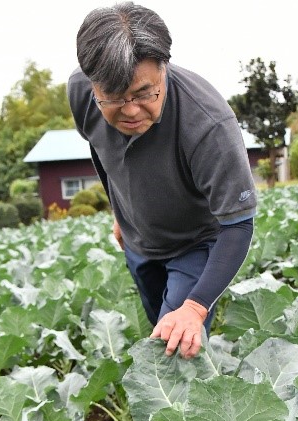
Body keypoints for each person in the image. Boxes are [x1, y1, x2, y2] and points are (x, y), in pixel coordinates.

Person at [67, 1, 257, 359]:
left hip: (194, 244)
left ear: (163, 69)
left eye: (144, 93)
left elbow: (239, 225)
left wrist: (196, 306)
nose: (131, 111)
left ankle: (196, 409)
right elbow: (100, 147)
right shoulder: (81, 93)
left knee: (173, 347)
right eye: (114, 98)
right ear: (93, 87)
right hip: (139, 243)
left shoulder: (208, 125)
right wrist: (118, 210)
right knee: (160, 325)